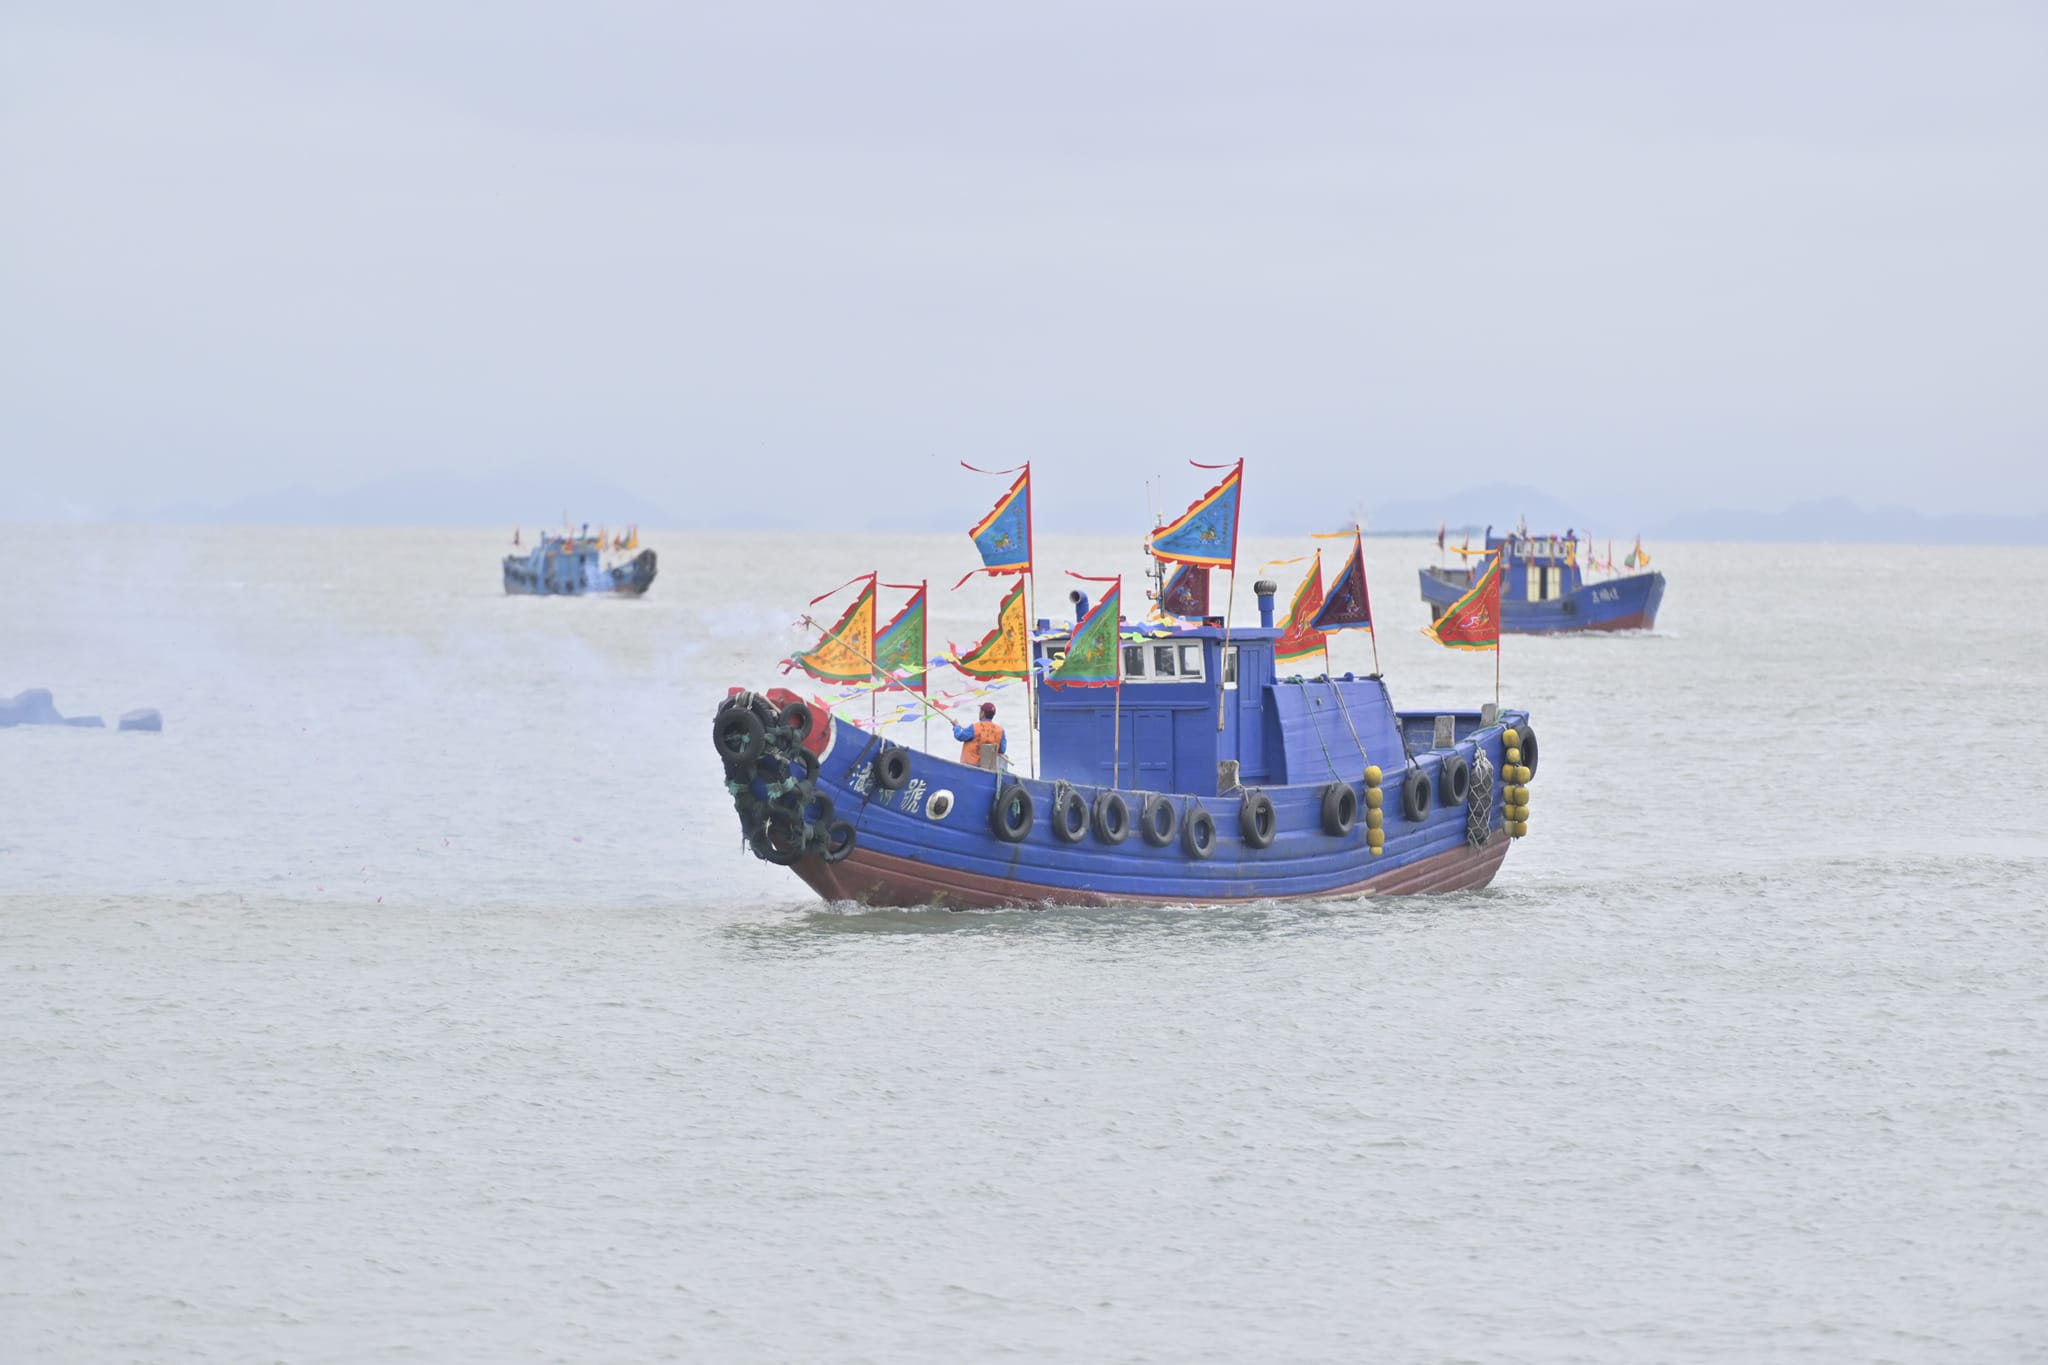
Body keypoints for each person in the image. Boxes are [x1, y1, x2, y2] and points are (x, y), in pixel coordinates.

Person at [954, 702, 1006, 770]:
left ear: (983, 713)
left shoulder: (974, 727)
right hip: (988, 768)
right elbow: (1002, 750)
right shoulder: (1001, 730)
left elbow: (959, 736)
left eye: (980, 711)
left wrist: (956, 727)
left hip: (969, 767)